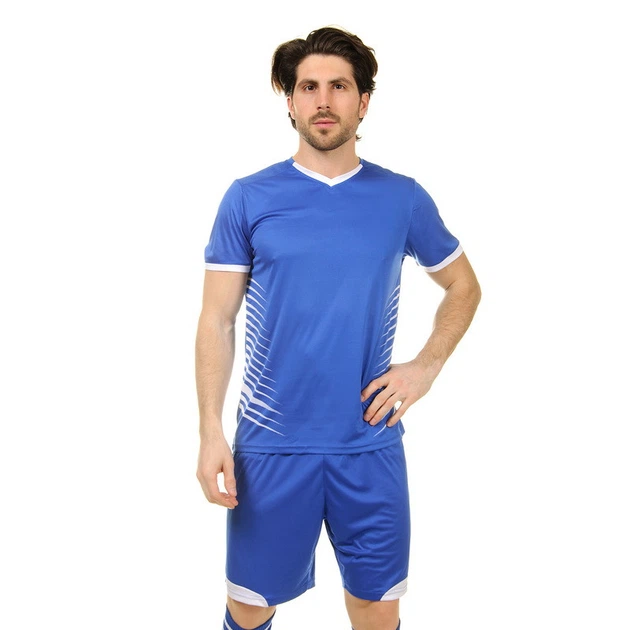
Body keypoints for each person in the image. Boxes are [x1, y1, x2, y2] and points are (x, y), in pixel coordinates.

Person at [195, 26, 481, 630]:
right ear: (291, 101)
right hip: (271, 445)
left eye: (339, 86)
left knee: (376, 606)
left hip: (369, 443)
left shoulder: (402, 198)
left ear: (363, 101)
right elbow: (217, 319)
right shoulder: (248, 198)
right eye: (309, 87)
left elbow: (463, 285)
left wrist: (425, 367)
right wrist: (210, 431)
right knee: (249, 605)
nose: (323, 101)